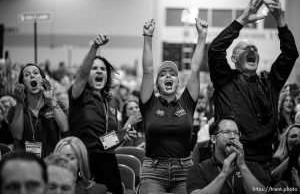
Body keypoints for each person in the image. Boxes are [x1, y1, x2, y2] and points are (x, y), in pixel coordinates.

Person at [208, 0, 299, 170]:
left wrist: (280, 19)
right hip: (230, 160)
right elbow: (215, 50)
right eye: (245, 48)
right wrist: (242, 20)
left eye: (255, 49)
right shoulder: (225, 79)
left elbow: (290, 54)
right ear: (234, 59)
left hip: (264, 162)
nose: (251, 49)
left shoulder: (270, 82)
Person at [138, 18, 207, 194]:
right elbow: (147, 71)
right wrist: (147, 36)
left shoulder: (187, 102)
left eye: (172, 74)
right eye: (162, 74)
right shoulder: (149, 102)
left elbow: (195, 69)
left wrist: (202, 36)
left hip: (184, 170)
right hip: (154, 172)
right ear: (157, 84)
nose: (168, 76)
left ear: (177, 82)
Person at [68, 34, 136, 194]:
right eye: (94, 68)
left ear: (107, 75)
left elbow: (108, 140)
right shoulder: (79, 94)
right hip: (83, 159)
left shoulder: (111, 101)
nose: (99, 71)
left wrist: (122, 136)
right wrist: (94, 48)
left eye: (103, 69)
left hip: (107, 160)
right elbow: (82, 74)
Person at [186, 116, 269, 194]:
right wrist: (224, 173)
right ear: (214, 139)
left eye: (236, 133)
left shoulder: (252, 167)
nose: (233, 136)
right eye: (227, 132)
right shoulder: (199, 170)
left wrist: (242, 166)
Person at [8, 63, 69, 158]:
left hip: (51, 163)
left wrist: (51, 100)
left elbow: (65, 127)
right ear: (22, 84)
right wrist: (19, 104)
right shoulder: (15, 110)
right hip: (25, 164)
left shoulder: (56, 105)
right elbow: (17, 135)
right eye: (27, 74)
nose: (32, 75)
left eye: (36, 73)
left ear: (43, 80)